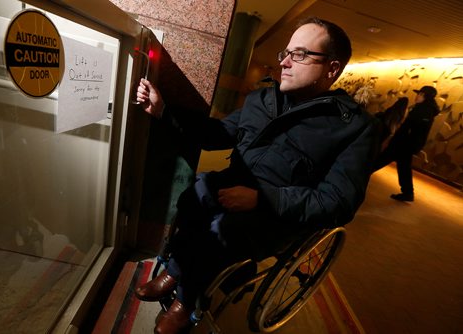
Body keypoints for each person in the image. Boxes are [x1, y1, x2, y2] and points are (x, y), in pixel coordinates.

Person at [135, 17, 379, 334]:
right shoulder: (263, 99)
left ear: (331, 69)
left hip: (277, 218)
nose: (285, 63)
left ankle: (185, 298)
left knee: (221, 227)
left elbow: (339, 202)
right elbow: (217, 134)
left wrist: (263, 199)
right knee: (198, 192)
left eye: (301, 54)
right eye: (286, 53)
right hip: (232, 190)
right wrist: (165, 110)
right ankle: (176, 270)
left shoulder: (356, 128)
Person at [374, 86, 440, 201]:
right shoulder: (427, 110)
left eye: (419, 94)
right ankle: (408, 193)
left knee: (382, 158)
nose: (417, 96)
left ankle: (359, 174)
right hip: (410, 144)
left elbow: (407, 127)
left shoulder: (422, 110)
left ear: (424, 96)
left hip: (405, 143)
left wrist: (393, 140)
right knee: (404, 166)